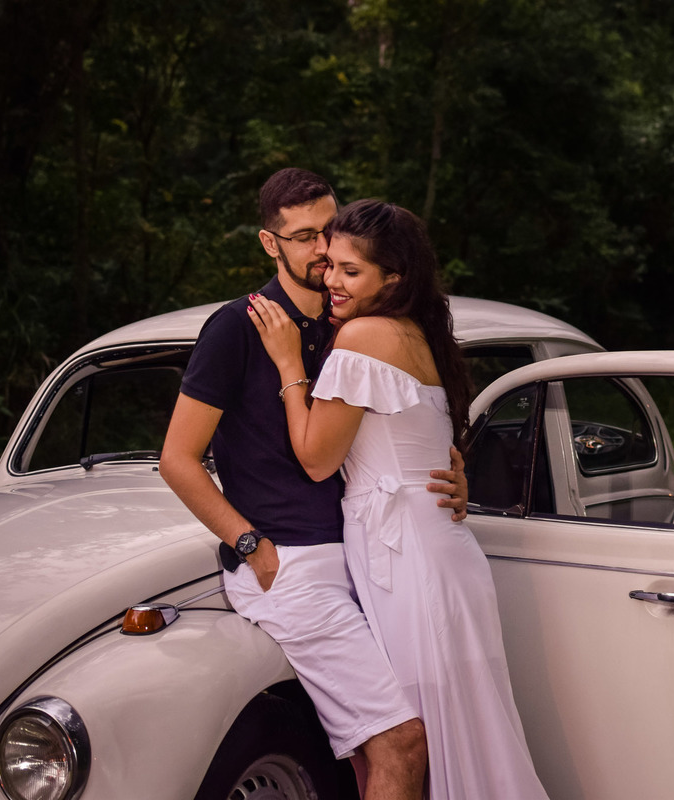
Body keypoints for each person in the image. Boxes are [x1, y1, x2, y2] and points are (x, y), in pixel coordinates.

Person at [160, 168, 470, 800]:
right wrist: (253, 547)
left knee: (376, 756)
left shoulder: (348, 323)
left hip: (370, 560)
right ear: (269, 244)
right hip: (291, 566)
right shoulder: (236, 327)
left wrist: (453, 470)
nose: (323, 250)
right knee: (402, 741)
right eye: (303, 237)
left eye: (330, 231)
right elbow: (178, 459)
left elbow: (398, 424)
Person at [247, 198, 550, 799]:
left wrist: (288, 365)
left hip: (408, 562)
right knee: (462, 730)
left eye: (350, 272)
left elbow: (316, 458)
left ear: (394, 278)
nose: (332, 280)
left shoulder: (362, 335)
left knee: (421, 732)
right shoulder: (415, 332)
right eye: (329, 264)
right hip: (429, 548)